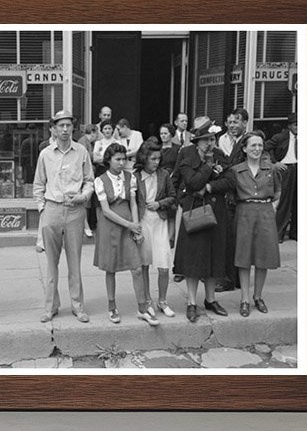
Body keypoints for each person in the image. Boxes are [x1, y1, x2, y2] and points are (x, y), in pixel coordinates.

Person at [33, 109, 95, 323]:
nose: (65, 129)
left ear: (73, 127)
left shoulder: (81, 152)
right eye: (61, 125)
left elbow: (89, 180)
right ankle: (51, 306)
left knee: (74, 263)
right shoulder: (45, 154)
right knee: (51, 264)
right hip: (52, 209)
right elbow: (38, 184)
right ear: (53, 128)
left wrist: (83, 196)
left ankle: (78, 306)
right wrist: (43, 209)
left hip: (75, 211)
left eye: (68, 125)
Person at [173, 116, 232, 322]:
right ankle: (191, 302)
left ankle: (210, 299)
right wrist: (208, 168)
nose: (210, 143)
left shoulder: (220, 155)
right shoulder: (187, 155)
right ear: (197, 141)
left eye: (213, 139)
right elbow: (188, 181)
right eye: (206, 139)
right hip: (195, 211)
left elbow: (230, 180)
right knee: (193, 258)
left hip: (217, 212)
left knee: (214, 256)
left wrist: (209, 187)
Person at [215, 132, 281, 316]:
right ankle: (244, 298)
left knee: (263, 258)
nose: (257, 149)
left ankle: (258, 296)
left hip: (266, 214)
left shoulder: (271, 169)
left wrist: (273, 207)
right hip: (244, 213)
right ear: (244, 148)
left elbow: (278, 191)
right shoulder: (236, 170)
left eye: (260, 145)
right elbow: (231, 196)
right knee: (243, 258)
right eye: (253, 145)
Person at [93, 142, 158, 326]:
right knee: (110, 268)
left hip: (129, 223)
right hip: (110, 226)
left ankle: (142, 308)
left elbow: (134, 203)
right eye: (118, 159)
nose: (122, 163)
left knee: (136, 267)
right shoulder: (100, 180)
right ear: (109, 160)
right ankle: (112, 306)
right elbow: (105, 210)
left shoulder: (130, 178)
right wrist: (129, 224)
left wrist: (136, 226)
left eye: (124, 159)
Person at [135, 142, 177, 317]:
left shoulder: (164, 174)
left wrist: (159, 203)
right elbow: (132, 202)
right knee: (144, 264)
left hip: (160, 221)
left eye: (159, 158)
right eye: (153, 158)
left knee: (164, 264)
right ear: (144, 158)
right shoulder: (136, 176)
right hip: (143, 221)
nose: (156, 162)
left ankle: (163, 301)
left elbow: (173, 197)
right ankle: (147, 300)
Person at [266, 115, 298, 241]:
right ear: (289, 126)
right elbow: (265, 146)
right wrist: (275, 162)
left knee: (298, 201)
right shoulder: (280, 137)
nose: (298, 127)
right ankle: (278, 233)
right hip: (286, 170)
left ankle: (295, 232)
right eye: (295, 124)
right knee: (284, 201)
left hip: (299, 169)